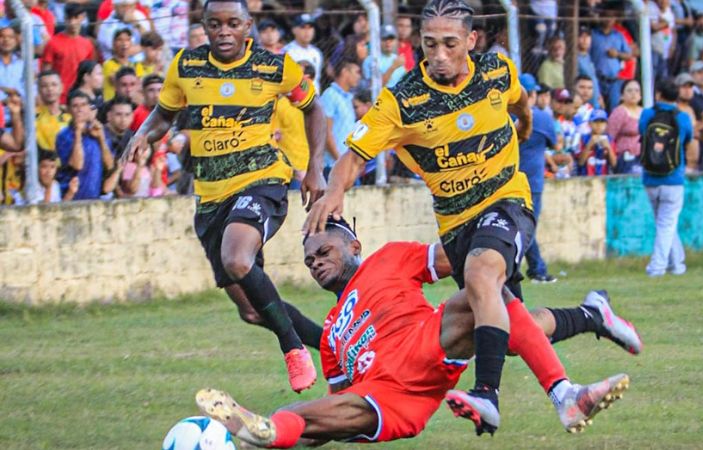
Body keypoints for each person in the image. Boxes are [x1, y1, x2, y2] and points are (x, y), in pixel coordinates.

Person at [305, 0, 561, 434]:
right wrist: (334, 189)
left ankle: (494, 395)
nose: (438, 55)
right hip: (458, 224)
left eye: (449, 44)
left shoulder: (496, 72)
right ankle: (595, 316)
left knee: (483, 281)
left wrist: (524, 122)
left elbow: (518, 99)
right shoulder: (403, 100)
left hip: (506, 200)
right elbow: (354, 156)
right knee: (511, 326)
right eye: (429, 45)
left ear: (471, 41)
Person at [196, 218, 640, 448]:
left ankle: (566, 392)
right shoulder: (331, 333)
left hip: (427, 340)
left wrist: (493, 244)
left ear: (354, 246)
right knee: (304, 413)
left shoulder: (389, 258)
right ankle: (268, 433)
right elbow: (338, 409)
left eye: (323, 250)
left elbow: (462, 256)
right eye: (309, 259)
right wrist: (306, 427)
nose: (315, 261)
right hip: (389, 397)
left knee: (488, 293)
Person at [122, 0, 327, 394]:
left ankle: (293, 348)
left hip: (262, 180)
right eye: (215, 24)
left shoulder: (275, 67)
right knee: (251, 310)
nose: (224, 32)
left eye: (233, 23)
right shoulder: (186, 66)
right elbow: (164, 115)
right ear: (204, 26)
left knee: (237, 258)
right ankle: (334, 347)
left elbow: (313, 109)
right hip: (211, 196)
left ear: (248, 25)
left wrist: (315, 166)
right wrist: (142, 135)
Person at [639, 79, 692, 277]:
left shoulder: (647, 114)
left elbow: (642, 133)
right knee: (666, 224)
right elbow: (688, 138)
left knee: (665, 223)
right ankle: (657, 268)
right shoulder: (683, 118)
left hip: (650, 178)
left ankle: (677, 265)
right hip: (674, 178)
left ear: (658, 94)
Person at [517, 74, 557, 283]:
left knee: (517, 226)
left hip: (507, 180)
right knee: (526, 227)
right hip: (532, 181)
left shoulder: (504, 115)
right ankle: (537, 270)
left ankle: (535, 268)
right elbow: (554, 143)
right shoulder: (542, 118)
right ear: (533, 94)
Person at [56, 91, 116, 201]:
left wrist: (101, 139)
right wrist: (78, 133)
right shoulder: (64, 135)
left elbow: (110, 165)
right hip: (71, 197)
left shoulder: (99, 131)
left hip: (95, 196)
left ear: (89, 108)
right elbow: (77, 165)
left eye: (83, 105)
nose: (79, 109)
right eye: (75, 106)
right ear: (69, 110)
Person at [40, 3, 96, 105]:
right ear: (65, 19)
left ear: (82, 18)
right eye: (69, 18)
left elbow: (90, 72)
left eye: (76, 18)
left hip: (81, 99)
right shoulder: (53, 43)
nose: (72, 22)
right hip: (58, 99)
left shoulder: (87, 44)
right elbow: (45, 73)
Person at [320, 60, 361, 177]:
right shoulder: (330, 95)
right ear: (345, 72)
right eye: (356, 72)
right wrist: (340, 161)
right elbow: (325, 132)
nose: (359, 76)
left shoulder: (347, 98)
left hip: (347, 165)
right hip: (333, 165)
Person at [590, 18, 633, 109]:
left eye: (611, 17)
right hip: (597, 79)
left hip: (614, 80)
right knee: (597, 107)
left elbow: (629, 55)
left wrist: (617, 54)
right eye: (606, 16)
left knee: (615, 108)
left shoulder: (618, 36)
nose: (608, 20)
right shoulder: (593, 34)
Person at [607, 79, 643, 174]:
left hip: (642, 157)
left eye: (636, 91)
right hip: (625, 158)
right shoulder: (619, 112)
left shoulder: (644, 112)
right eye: (629, 91)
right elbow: (610, 137)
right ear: (622, 95)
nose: (633, 94)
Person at [284, 13, 323, 91]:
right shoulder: (287, 52)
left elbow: (316, 80)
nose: (307, 31)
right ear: (294, 30)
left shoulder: (317, 53)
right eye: (303, 27)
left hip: (314, 98)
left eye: (310, 28)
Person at [36, 71, 71, 153]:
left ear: (61, 87)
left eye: (54, 85)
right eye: (44, 86)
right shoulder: (32, 117)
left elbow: (92, 107)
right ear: (38, 90)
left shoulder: (70, 116)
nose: (50, 89)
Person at [576, 26, 601, 109]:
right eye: (581, 36)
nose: (585, 39)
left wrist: (599, 96)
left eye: (587, 36)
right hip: (583, 103)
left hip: (595, 101)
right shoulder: (575, 58)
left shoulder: (588, 56)